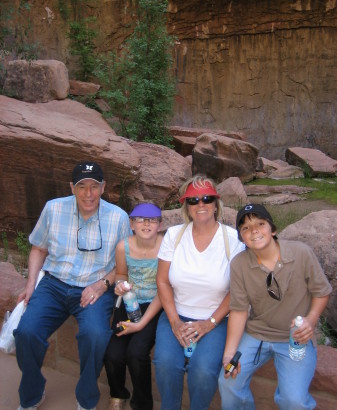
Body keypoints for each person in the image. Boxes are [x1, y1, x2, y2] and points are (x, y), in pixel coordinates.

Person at [14, 161, 132, 410]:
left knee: (96, 335)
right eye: (81, 186)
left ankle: (86, 398)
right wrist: (30, 284)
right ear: (72, 187)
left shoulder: (118, 217)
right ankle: (33, 393)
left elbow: (124, 264)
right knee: (26, 332)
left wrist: (103, 285)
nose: (88, 194)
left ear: (103, 187)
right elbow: (38, 248)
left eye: (94, 186)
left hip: (95, 288)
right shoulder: (53, 209)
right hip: (53, 286)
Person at [219, 203, 332, 410]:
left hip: (295, 338)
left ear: (273, 229)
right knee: (228, 382)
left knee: (294, 401)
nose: (254, 231)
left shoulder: (301, 253)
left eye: (260, 224)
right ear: (242, 238)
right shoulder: (239, 264)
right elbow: (239, 310)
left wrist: (311, 320)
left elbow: (322, 292)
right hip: (256, 335)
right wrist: (229, 353)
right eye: (245, 228)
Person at [153, 176, 245, 410]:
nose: (200, 205)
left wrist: (210, 323)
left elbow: (238, 289)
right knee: (165, 364)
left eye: (207, 199)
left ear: (216, 204)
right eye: (193, 200)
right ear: (186, 206)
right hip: (177, 313)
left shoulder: (233, 239)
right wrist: (174, 321)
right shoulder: (174, 235)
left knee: (203, 371)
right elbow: (162, 281)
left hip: (216, 318)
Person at [104, 202, 163, 410]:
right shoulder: (124, 246)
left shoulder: (165, 247)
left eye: (152, 220)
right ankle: (117, 393)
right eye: (140, 219)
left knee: (137, 353)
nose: (146, 223)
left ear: (159, 224)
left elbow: (167, 286)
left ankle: (142, 403)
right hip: (129, 302)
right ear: (132, 224)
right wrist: (120, 285)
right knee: (113, 353)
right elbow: (121, 274)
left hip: (155, 305)